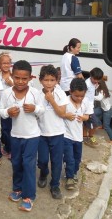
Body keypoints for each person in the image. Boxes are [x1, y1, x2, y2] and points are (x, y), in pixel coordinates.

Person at [0, 60, 45, 212]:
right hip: (15, 135)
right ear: (12, 76)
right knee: (16, 162)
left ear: (30, 78)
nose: (20, 81)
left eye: (24, 78)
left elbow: (42, 110)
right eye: (17, 77)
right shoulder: (6, 93)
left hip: (32, 136)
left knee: (28, 164)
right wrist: (7, 112)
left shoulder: (35, 93)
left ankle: (29, 196)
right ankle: (17, 189)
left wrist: (34, 108)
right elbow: (1, 110)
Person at [37, 65, 68, 199]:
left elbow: (62, 113)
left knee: (57, 161)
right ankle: (44, 173)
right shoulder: (36, 94)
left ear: (57, 81)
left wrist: (51, 100)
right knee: (42, 160)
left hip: (57, 134)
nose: (49, 83)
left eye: (52, 80)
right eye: (46, 80)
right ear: (40, 80)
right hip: (41, 134)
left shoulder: (60, 94)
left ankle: (55, 185)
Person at [63, 78, 91, 190]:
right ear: (70, 92)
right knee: (69, 158)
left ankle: (73, 173)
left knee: (77, 158)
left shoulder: (86, 102)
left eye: (81, 96)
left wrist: (84, 117)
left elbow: (88, 116)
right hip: (66, 136)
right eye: (76, 96)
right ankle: (69, 178)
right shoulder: (65, 101)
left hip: (78, 137)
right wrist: (66, 115)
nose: (79, 98)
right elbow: (59, 113)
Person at [0, 51, 13, 159]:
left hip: (13, 107)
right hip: (2, 108)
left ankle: (11, 149)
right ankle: (7, 147)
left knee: (12, 129)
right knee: (5, 129)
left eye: (8, 63)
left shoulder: (14, 76)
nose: (6, 65)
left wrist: (12, 84)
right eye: (4, 63)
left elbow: (21, 87)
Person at [84, 67, 104, 147]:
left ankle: (85, 138)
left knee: (86, 124)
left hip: (90, 106)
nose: (96, 81)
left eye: (98, 79)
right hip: (87, 108)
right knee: (96, 124)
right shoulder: (87, 84)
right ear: (90, 76)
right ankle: (90, 137)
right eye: (94, 79)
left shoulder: (93, 83)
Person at [94, 79, 112, 145]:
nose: (95, 84)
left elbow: (99, 98)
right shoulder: (100, 89)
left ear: (100, 84)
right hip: (102, 109)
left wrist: (89, 96)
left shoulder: (102, 91)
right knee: (92, 113)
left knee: (106, 126)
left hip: (107, 111)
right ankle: (100, 125)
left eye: (97, 83)